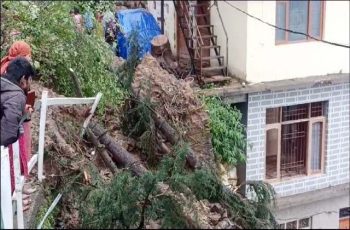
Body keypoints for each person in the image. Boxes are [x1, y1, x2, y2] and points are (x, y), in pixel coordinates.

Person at [1, 53, 35, 211]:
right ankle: (12, 209)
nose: (29, 84)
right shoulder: (16, 96)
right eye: (29, 80)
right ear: (23, 79)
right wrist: (16, 132)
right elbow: (7, 134)